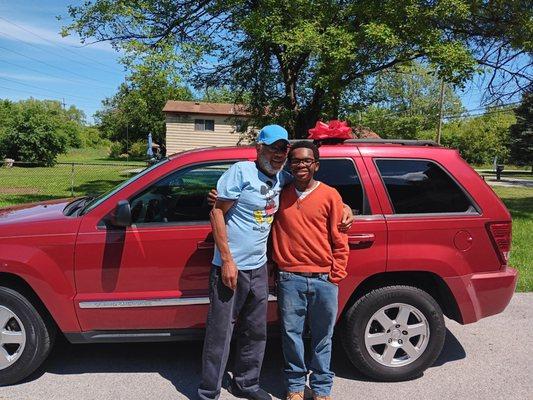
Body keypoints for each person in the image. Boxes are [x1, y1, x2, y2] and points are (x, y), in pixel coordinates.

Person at [198, 126, 353, 400]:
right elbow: (217, 213)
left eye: (283, 149)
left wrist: (345, 208)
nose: (279, 154)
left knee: (256, 332)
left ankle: (246, 384)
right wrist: (227, 260)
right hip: (231, 266)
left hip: (259, 267)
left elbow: (317, 193)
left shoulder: (284, 179)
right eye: (273, 148)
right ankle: (209, 391)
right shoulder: (240, 172)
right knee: (221, 332)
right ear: (259, 148)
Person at [271, 141, 349, 400]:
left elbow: (340, 239)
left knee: (322, 337)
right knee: (291, 336)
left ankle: (321, 389)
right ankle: (295, 387)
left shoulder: (330, 195)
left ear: (316, 164)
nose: (301, 165)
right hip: (290, 278)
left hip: (324, 279)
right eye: (295, 161)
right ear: (288, 165)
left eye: (306, 160)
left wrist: (335, 274)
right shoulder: (280, 192)